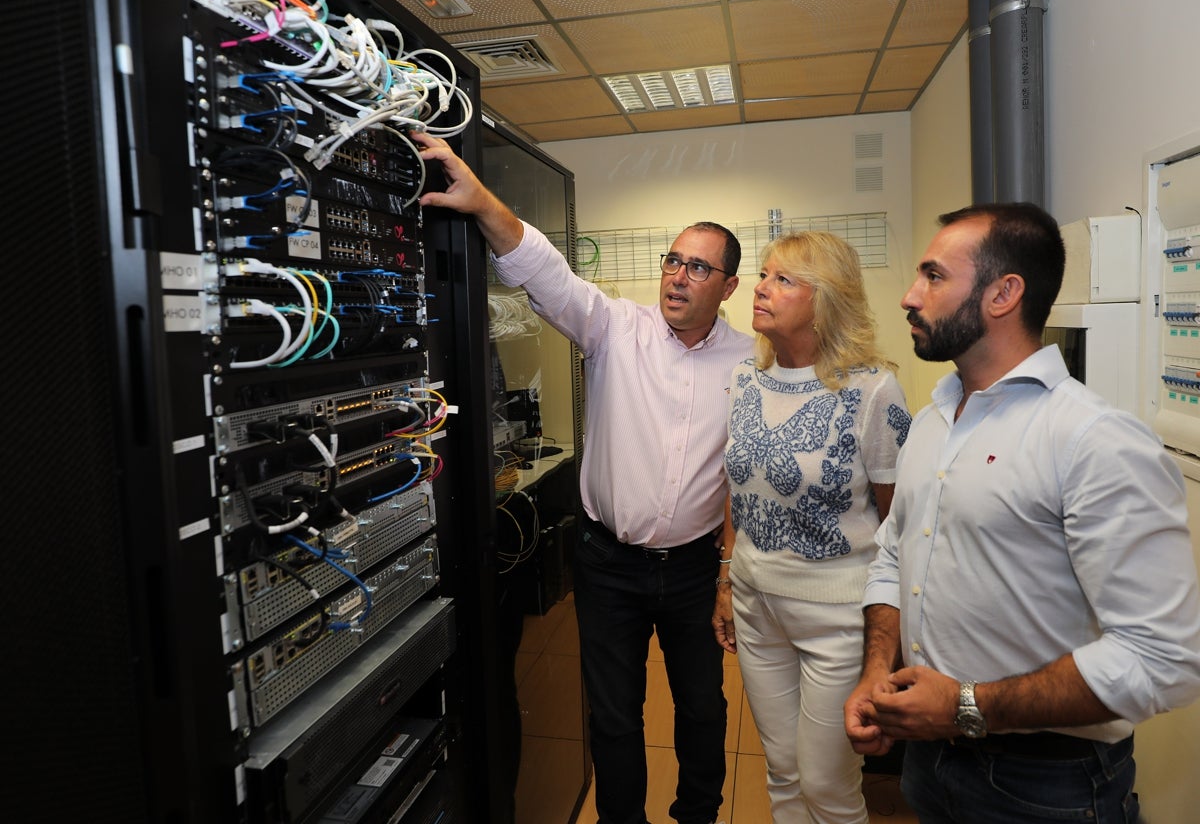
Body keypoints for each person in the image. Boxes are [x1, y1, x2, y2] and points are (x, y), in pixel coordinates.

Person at [414, 130, 752, 824]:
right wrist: (481, 203)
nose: (677, 276)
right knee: (614, 717)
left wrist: (726, 573)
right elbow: (544, 273)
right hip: (609, 565)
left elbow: (749, 478)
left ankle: (697, 816)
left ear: (728, 285)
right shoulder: (613, 329)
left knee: (702, 710)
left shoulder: (752, 363)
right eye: (672, 261)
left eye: (697, 267)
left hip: (691, 571)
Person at [843, 202, 1200, 823]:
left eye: (933, 276)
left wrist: (966, 707)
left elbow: (1164, 658)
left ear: (1003, 293)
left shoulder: (1094, 439)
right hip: (932, 762)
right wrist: (879, 674)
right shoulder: (933, 421)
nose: (909, 295)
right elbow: (894, 551)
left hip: (1048, 785)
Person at [711, 231, 910, 823]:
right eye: (765, 274)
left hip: (838, 618)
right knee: (783, 771)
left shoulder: (873, 389)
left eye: (782, 279)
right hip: (755, 605)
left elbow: (898, 519)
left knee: (827, 784)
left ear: (824, 301)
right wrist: (726, 580)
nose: (760, 287)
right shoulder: (746, 377)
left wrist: (891, 639)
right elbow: (736, 489)